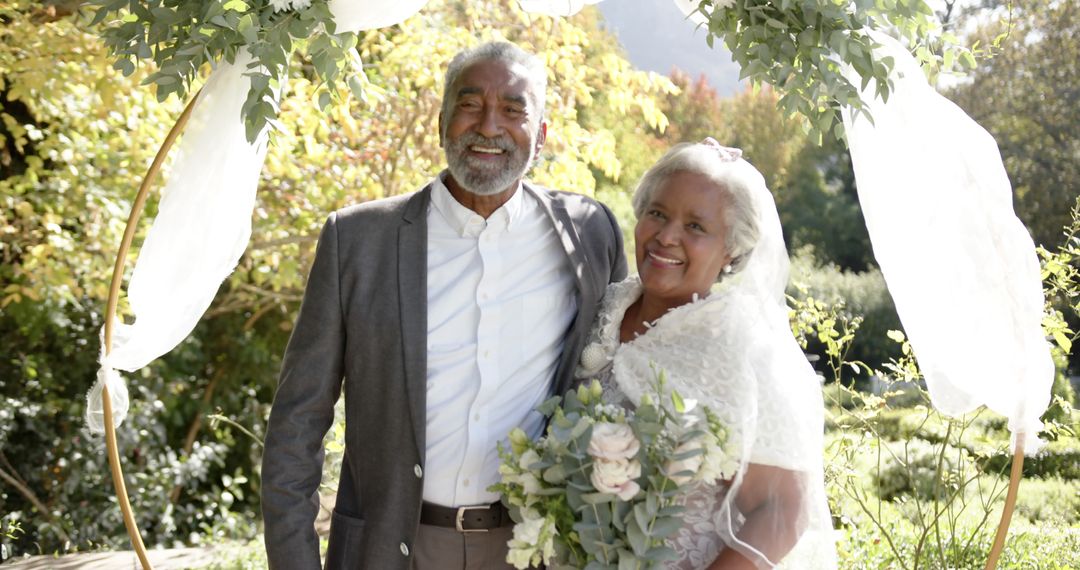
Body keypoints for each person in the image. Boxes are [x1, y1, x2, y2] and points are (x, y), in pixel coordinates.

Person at [261, 41, 628, 570]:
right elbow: (297, 424)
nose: (489, 126)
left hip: (534, 550)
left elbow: (621, 385)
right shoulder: (358, 241)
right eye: (471, 104)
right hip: (390, 550)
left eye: (513, 110)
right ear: (441, 122)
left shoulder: (591, 234)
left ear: (541, 135)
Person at [576, 140, 836, 569]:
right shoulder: (598, 308)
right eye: (657, 213)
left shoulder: (740, 345)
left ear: (731, 250)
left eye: (696, 227)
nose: (666, 236)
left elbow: (782, 512)